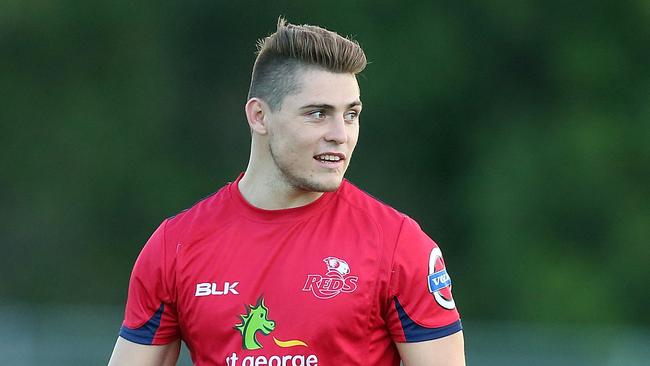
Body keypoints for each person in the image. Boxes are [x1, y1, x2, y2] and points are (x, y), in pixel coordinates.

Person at [108, 18, 465, 366]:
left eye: (351, 114)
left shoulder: (399, 246)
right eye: (318, 113)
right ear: (259, 116)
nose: (340, 134)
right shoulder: (176, 247)